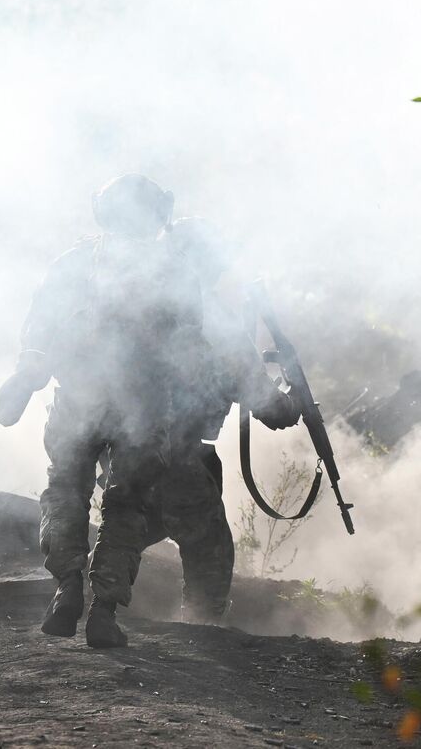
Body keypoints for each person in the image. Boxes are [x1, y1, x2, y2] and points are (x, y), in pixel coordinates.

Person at [0, 173, 182, 640]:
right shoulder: (172, 272)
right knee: (127, 505)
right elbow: (192, 349)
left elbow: (40, 325)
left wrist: (30, 371)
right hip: (142, 405)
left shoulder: (75, 262)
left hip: (79, 395)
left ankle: (66, 587)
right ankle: (104, 613)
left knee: (65, 492)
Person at [139, 218, 302, 625]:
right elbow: (264, 402)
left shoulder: (131, 304)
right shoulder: (211, 320)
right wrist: (290, 402)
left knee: (132, 523)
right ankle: (201, 628)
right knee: (208, 542)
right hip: (177, 449)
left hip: (126, 444)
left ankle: (94, 604)